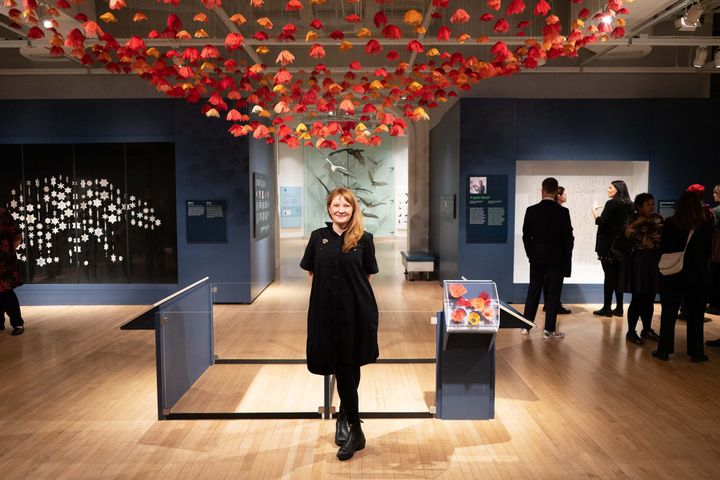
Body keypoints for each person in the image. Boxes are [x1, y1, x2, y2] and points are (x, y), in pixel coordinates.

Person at [300, 187, 379, 461]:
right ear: (329, 209)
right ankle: (345, 419)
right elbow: (312, 271)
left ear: (353, 209)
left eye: (346, 205)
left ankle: (353, 427)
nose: (341, 210)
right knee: (342, 363)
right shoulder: (317, 237)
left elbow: (367, 276)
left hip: (357, 310)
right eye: (336, 205)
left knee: (349, 363)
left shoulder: (364, 239)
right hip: (325, 310)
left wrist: (355, 303)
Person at [652, 191, 713, 362]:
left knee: (669, 312)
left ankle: (663, 350)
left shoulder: (671, 223)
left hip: (674, 272)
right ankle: (696, 352)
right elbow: (707, 250)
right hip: (698, 273)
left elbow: (664, 247)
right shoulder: (705, 224)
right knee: (695, 313)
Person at [522, 177, 574, 339]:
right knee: (553, 293)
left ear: (542, 190)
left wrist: (531, 254)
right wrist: (566, 257)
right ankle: (549, 329)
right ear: (556, 191)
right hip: (557, 259)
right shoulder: (563, 212)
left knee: (534, 290)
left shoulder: (531, 210)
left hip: (537, 257)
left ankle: (526, 326)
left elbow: (526, 236)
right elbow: (568, 238)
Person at [620, 193, 662, 345]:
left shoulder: (658, 218)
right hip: (637, 261)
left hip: (653, 261)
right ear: (638, 207)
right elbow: (625, 238)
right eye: (648, 204)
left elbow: (664, 238)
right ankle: (631, 331)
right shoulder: (632, 219)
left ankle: (647, 329)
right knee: (638, 298)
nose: (652, 206)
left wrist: (657, 243)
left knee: (650, 297)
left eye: (652, 203)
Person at [592, 180, 633, 317]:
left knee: (609, 277)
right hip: (623, 247)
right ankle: (620, 308)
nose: (608, 190)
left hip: (608, 246)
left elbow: (602, 223)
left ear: (617, 189)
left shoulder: (612, 203)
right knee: (618, 277)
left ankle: (607, 308)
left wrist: (594, 212)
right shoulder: (630, 204)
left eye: (610, 187)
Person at [543, 186, 571, 314]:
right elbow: (566, 234)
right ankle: (553, 305)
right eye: (564, 194)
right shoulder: (562, 212)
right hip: (558, 252)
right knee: (554, 281)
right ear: (558, 195)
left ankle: (549, 304)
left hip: (548, 252)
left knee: (548, 279)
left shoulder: (558, 211)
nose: (565, 196)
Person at [0, 203, 25, 335]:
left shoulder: (3, 214)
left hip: (4, 260)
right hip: (5, 256)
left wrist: (9, 250)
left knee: (6, 291)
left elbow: (16, 234)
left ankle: (17, 323)